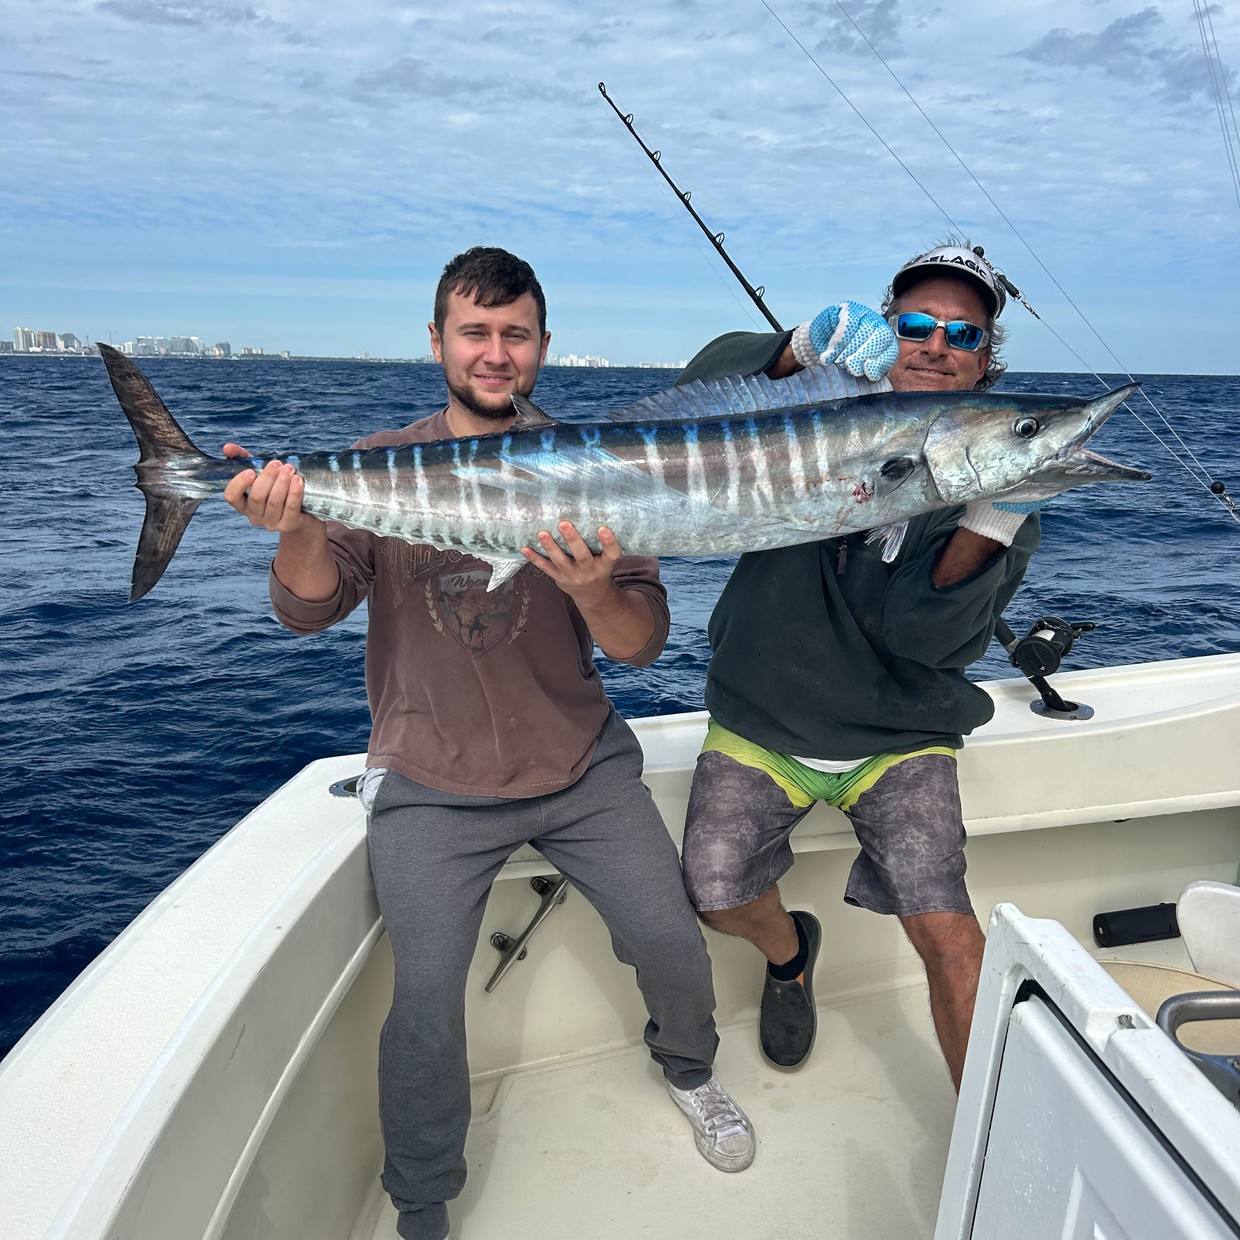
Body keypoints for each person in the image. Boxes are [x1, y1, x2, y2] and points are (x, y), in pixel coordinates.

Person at [221, 246, 755, 1240]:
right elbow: (310, 610)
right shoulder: (378, 459)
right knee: (423, 996)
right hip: (431, 778)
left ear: (543, 346)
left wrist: (593, 588)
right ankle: (423, 1195)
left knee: (670, 940)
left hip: (582, 767)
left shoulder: (602, 465)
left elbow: (640, 646)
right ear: (437, 341)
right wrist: (291, 526)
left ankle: (688, 1069)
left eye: (515, 334)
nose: (495, 352)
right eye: (476, 331)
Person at [676, 243, 1041, 1090]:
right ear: (888, 332)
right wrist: (797, 349)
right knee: (715, 891)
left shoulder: (1004, 491)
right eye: (915, 324)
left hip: (902, 736)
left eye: (964, 334)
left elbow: (928, 641)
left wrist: (990, 526)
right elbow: (686, 406)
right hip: (764, 715)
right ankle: (789, 952)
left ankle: (997, 1149)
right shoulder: (810, 408)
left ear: (988, 364)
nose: (935, 344)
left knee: (949, 934)